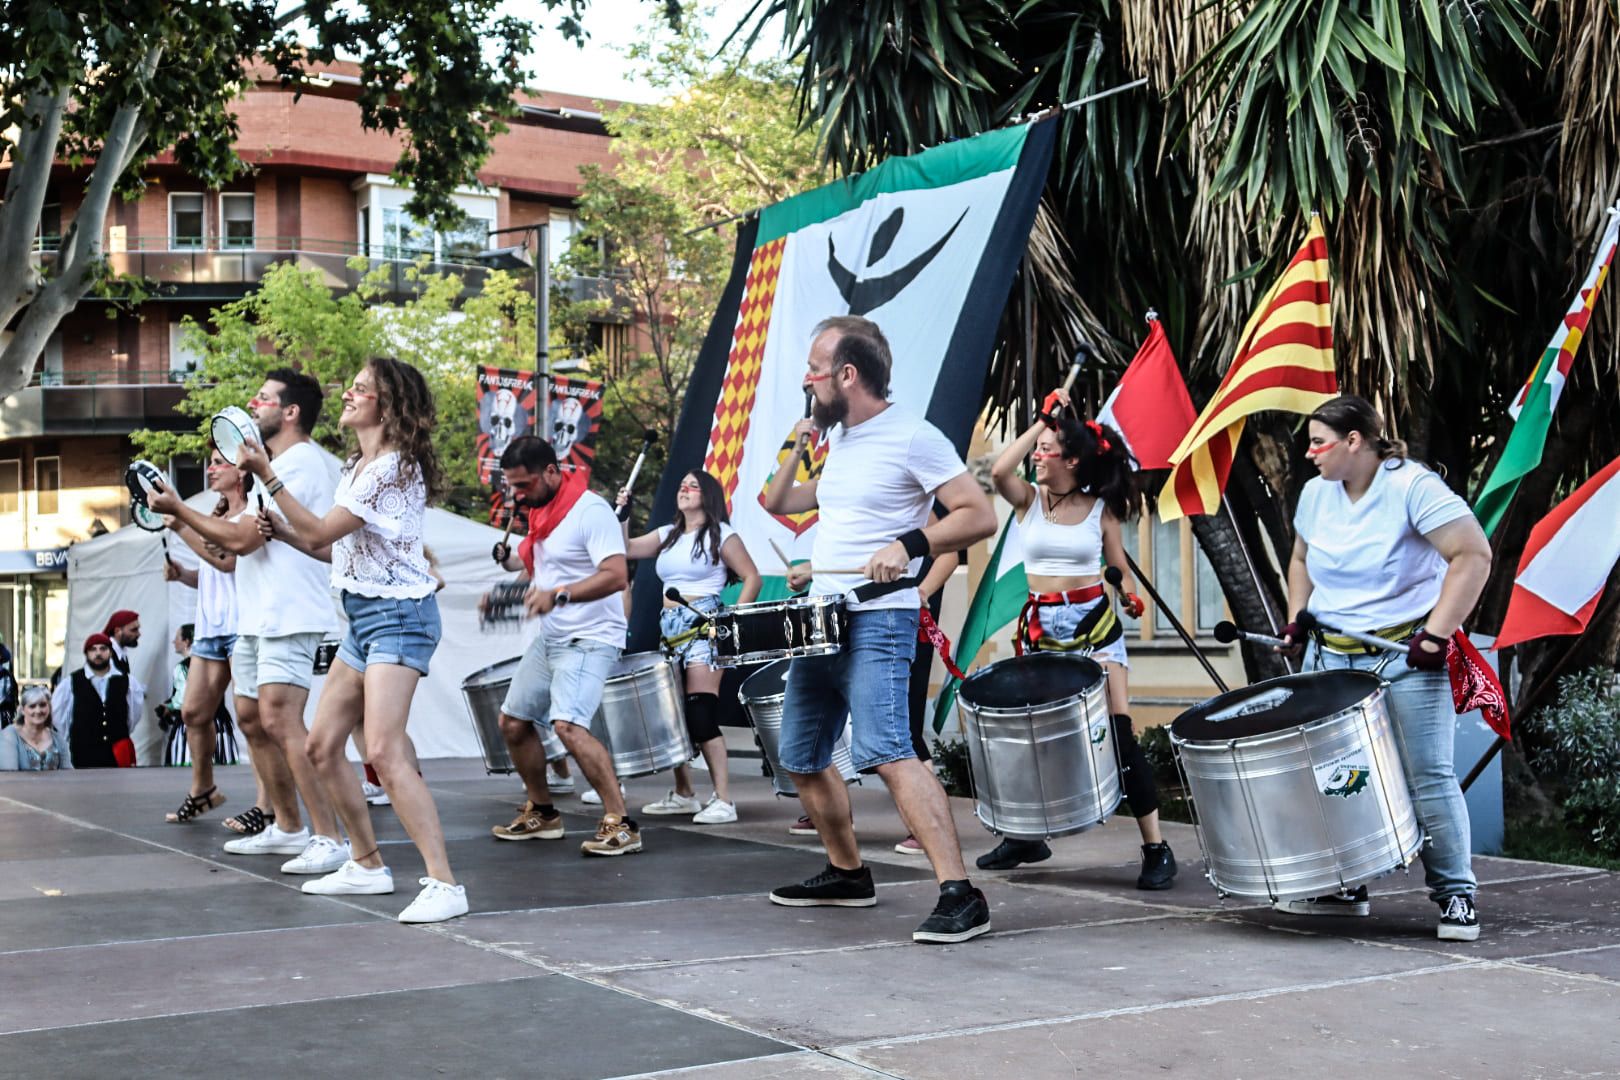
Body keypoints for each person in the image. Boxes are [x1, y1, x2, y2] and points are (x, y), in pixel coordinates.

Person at [762, 315, 998, 944]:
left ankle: (960, 892)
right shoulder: (842, 442)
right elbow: (792, 505)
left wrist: (909, 542)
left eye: (815, 369)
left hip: (880, 619)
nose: (807, 380)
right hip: (823, 618)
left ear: (847, 374)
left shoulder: (913, 436)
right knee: (802, 757)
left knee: (888, 750)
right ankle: (847, 874)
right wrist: (815, 564)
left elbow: (980, 516)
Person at [245, 357, 465, 922]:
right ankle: (367, 865)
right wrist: (286, 534)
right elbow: (326, 546)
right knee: (320, 746)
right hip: (364, 621)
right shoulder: (358, 465)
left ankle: (444, 883)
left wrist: (265, 473)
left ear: (385, 407)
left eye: (360, 389)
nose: (348, 393)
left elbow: (321, 529)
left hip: (400, 617)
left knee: (384, 751)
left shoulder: (391, 468)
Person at [1277, 394, 1492, 942]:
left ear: (1355, 441)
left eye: (1319, 442)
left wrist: (1437, 632)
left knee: (1428, 776)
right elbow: (1301, 559)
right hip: (1331, 657)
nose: (1309, 453)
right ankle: (1347, 884)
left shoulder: (1412, 487)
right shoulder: (1316, 494)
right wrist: (1297, 616)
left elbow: (1472, 554)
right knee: (1338, 776)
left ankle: (1456, 896)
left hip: (1403, 657)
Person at [972, 387, 1177, 889]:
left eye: (1047, 451)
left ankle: (1156, 847)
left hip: (1093, 629)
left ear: (1074, 460)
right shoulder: (1029, 502)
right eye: (1038, 451)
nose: (1038, 458)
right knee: (1030, 739)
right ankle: (1026, 836)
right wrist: (1041, 423)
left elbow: (1117, 563)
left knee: (1119, 734)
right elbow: (1000, 472)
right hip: (1041, 628)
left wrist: (1128, 592)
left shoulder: (1100, 510)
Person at [149, 366, 344, 875]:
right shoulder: (271, 466)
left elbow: (239, 543)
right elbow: (238, 538)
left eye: (263, 398)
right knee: (254, 720)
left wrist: (177, 510)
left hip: (288, 612)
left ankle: (329, 837)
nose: (254, 405)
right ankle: (287, 826)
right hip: (255, 616)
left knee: (281, 720)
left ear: (290, 411)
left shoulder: (301, 463)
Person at [485, 436, 634, 855]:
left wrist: (561, 595)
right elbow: (539, 573)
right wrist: (504, 594)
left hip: (591, 637)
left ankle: (621, 822)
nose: (518, 494)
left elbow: (616, 574)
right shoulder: (542, 513)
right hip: (553, 636)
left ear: (552, 471)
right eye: (513, 486)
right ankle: (544, 813)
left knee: (567, 725)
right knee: (512, 722)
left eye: (525, 484)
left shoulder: (590, 511)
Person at [617, 470, 762, 824]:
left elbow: (752, 577)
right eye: (681, 484)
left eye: (692, 485)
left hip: (704, 624)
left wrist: (730, 622)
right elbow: (625, 549)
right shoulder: (668, 535)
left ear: (708, 495)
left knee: (700, 712)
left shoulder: (721, 535)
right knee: (672, 715)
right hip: (669, 627)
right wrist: (623, 515)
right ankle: (684, 793)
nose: (684, 489)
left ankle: (724, 800)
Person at [160, 447, 250, 823]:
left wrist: (181, 522)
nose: (210, 468)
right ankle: (204, 790)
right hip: (212, 629)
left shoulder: (248, 516)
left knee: (253, 723)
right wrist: (184, 575)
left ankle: (272, 807)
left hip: (243, 627)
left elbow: (228, 562)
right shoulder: (217, 516)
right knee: (193, 711)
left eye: (219, 462)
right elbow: (214, 574)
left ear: (242, 471)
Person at [51, 634, 140, 768]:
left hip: (117, 755)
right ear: (86, 653)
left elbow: (133, 715)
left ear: (110, 652)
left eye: (103, 649)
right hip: (83, 755)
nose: (98, 653)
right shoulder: (71, 682)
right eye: (93, 649)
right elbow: (58, 716)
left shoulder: (128, 681)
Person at [1, 686, 72, 770]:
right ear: (23, 710)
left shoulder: (58, 739)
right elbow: (9, 775)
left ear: (49, 707)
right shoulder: (9, 735)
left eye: (42, 705)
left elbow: (68, 773)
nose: (38, 711)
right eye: (32, 706)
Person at [103, 610, 142, 676]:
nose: (138, 634)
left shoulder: (120, 653)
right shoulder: (106, 656)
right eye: (134, 630)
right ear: (117, 631)